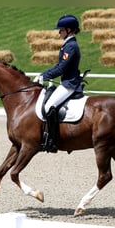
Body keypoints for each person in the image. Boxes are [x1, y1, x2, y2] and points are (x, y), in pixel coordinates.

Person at [33, 14, 83, 153]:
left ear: (69, 30)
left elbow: (61, 68)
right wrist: (44, 74)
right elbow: (59, 65)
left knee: (49, 107)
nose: (59, 32)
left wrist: (45, 75)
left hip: (69, 84)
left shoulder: (71, 46)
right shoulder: (67, 44)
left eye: (61, 29)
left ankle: (52, 140)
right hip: (66, 82)